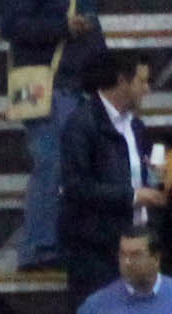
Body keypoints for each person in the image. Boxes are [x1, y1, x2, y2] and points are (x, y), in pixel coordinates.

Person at [7, 0, 111, 272]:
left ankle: (51, 244)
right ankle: (40, 246)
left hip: (71, 86)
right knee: (52, 164)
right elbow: (10, 25)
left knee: (60, 165)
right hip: (49, 86)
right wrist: (63, 27)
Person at [57, 52, 161, 300]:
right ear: (122, 81)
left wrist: (155, 181)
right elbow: (76, 187)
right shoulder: (81, 125)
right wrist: (132, 196)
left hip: (133, 240)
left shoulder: (135, 126)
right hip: (95, 252)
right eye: (142, 81)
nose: (146, 89)